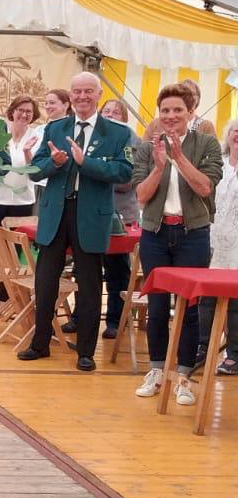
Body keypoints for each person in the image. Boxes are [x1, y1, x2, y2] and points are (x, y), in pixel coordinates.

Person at [17, 71, 132, 371]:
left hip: (90, 216)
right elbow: (36, 170)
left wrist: (86, 163)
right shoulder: (55, 128)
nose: (82, 97)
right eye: (77, 91)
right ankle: (39, 343)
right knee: (45, 283)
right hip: (56, 213)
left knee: (91, 286)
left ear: (98, 94)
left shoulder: (117, 133)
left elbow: (124, 173)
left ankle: (86, 352)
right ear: (71, 95)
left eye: (88, 91)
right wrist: (53, 164)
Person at [131, 83, 223, 404]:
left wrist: (179, 157)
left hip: (192, 234)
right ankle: (157, 369)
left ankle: (184, 374)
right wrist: (158, 167)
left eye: (177, 110)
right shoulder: (146, 148)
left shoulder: (207, 143)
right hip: (155, 233)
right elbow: (141, 196)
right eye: (166, 111)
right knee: (156, 306)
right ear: (160, 114)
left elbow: (204, 187)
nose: (171, 116)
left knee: (190, 307)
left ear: (190, 112)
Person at [0, 95, 42, 303]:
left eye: (28, 111)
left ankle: (5, 298)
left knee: (14, 252)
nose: (24, 114)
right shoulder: (1, 133)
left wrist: (27, 152)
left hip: (23, 202)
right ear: (12, 111)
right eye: (20, 110)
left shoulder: (36, 136)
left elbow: (36, 170)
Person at [198, 117, 238, 375]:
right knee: (206, 296)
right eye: (236, 130)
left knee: (236, 299)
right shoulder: (218, 164)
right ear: (228, 134)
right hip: (212, 234)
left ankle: (234, 353)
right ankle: (203, 346)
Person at [99, 97, 141, 340]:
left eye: (116, 112)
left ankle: (116, 319)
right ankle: (81, 317)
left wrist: (96, 171)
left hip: (120, 215)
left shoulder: (130, 140)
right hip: (91, 215)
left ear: (124, 117)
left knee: (117, 271)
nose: (111, 115)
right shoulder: (94, 138)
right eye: (107, 111)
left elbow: (126, 181)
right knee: (87, 271)